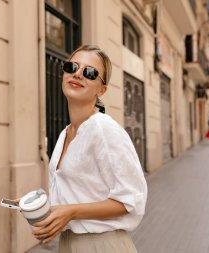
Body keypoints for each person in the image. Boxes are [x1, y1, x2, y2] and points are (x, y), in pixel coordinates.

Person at [32, 45, 147, 253]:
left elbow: (131, 200)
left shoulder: (104, 129)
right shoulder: (65, 133)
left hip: (102, 245)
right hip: (70, 243)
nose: (77, 73)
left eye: (90, 73)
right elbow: (77, 193)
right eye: (71, 67)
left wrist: (72, 212)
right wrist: (35, 205)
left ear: (101, 90)